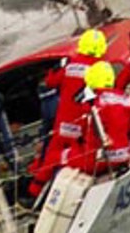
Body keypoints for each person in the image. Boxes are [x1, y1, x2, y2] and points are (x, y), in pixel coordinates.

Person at [29, 28, 108, 192]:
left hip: (63, 124)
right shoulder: (98, 68)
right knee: (79, 159)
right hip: (82, 125)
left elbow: (50, 82)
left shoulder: (70, 64)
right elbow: (105, 94)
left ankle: (33, 192)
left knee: (50, 160)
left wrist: (57, 68)